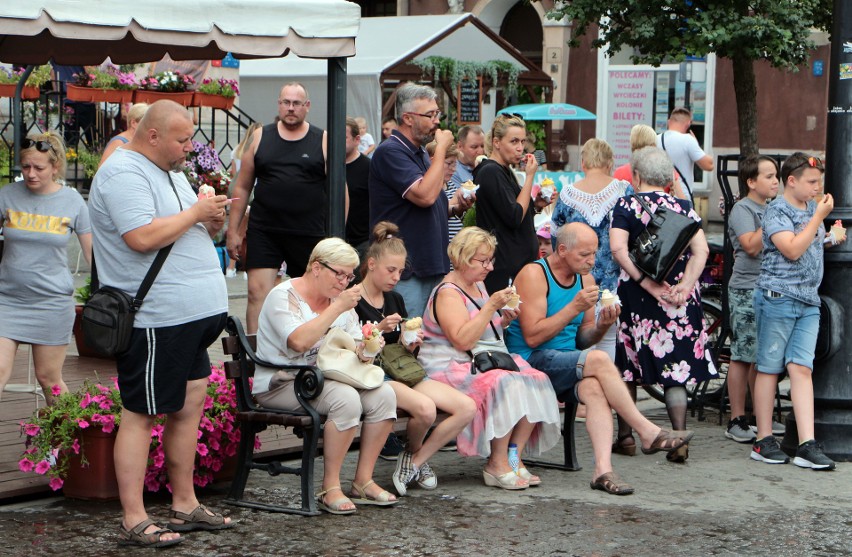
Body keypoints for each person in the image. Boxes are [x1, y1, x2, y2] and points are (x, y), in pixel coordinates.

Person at [88, 100, 232, 548]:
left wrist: (210, 219)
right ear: (153, 136)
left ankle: (185, 502)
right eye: (182, 139)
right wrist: (196, 214)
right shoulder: (123, 173)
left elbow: (184, 230)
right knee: (142, 413)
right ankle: (133, 516)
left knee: (188, 409)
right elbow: (141, 237)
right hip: (156, 319)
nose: (190, 148)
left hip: (190, 315)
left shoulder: (168, 170)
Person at [506, 222, 694, 494]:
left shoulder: (587, 280)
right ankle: (646, 431)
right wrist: (575, 307)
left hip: (564, 361)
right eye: (584, 254)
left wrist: (603, 325)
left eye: (594, 253)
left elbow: (583, 339)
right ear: (561, 250)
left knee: (595, 388)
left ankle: (602, 471)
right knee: (598, 360)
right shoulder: (535, 274)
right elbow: (533, 337)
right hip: (530, 359)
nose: (591, 261)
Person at [254, 238, 399, 513]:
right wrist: (337, 307)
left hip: (324, 379)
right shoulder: (283, 296)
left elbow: (355, 347)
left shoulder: (339, 300)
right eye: (340, 274)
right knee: (345, 399)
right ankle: (329, 487)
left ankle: (362, 481)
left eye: (349, 275)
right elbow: (298, 342)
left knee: (384, 394)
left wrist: (368, 346)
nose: (344, 282)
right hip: (281, 383)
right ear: (317, 267)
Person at [419, 227, 562, 490]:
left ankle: (513, 457)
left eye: (490, 260)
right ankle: (496, 464)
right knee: (505, 383)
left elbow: (483, 330)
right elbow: (462, 340)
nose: (489, 267)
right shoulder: (448, 292)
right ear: (462, 258)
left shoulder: (477, 284)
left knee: (535, 378)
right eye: (483, 260)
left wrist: (502, 320)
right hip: (448, 366)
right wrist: (491, 307)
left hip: (478, 359)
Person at [610, 146, 717, 463]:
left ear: (637, 176)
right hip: (678, 301)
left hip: (637, 298)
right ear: (670, 178)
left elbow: (618, 249)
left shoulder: (627, 204)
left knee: (627, 368)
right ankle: (679, 439)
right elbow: (703, 251)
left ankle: (626, 437)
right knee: (676, 370)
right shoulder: (684, 207)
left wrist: (645, 283)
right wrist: (685, 286)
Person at [355, 222, 476, 495]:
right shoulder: (352, 300)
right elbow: (353, 350)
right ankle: (413, 455)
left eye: (400, 271)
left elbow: (402, 349)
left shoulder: (395, 299)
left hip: (403, 370)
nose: (396, 276)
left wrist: (411, 343)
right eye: (391, 270)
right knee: (426, 409)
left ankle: (413, 459)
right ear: (371, 264)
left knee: (466, 407)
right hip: (374, 374)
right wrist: (379, 330)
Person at [750, 153, 839, 470]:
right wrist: (819, 221)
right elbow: (791, 248)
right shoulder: (776, 210)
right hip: (778, 297)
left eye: (819, 182)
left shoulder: (814, 208)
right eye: (812, 182)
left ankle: (806, 443)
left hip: (808, 301)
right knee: (770, 368)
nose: (818, 188)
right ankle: (763, 440)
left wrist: (829, 237)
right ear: (792, 181)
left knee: (802, 368)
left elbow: (810, 244)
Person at [227, 82, 332, 333]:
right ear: (279, 104)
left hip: (308, 232)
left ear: (307, 107)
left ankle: (305, 354)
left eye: (297, 103)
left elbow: (341, 191)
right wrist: (233, 231)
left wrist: (337, 234)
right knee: (256, 293)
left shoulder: (322, 139)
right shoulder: (262, 136)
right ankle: (256, 358)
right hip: (266, 230)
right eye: (286, 102)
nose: (291, 108)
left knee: (309, 297)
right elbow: (242, 187)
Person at [0, 132, 91, 404]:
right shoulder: (7, 196)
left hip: (51, 302)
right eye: (25, 166)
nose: (30, 174)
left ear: (55, 167)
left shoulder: (73, 201)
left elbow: (92, 253)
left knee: (49, 379)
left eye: (39, 168)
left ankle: (66, 444)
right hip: (7, 299)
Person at [369, 82, 473, 316]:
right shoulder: (391, 151)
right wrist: (442, 150)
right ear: (407, 118)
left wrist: (454, 208)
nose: (437, 120)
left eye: (437, 113)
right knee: (409, 337)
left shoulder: (418, 151)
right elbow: (424, 196)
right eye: (430, 114)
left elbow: (429, 204)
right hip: (407, 270)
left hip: (430, 264)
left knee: (428, 341)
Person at [551, 138, 630, 361]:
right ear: (610, 163)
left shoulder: (567, 194)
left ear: (583, 163)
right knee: (607, 351)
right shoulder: (624, 190)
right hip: (615, 285)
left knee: (580, 353)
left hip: (575, 287)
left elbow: (557, 242)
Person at [725, 155, 781, 443]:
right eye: (769, 176)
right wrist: (773, 220)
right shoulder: (743, 209)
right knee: (743, 355)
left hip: (769, 287)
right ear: (751, 181)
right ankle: (736, 419)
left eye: (776, 176)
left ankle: (762, 419)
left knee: (762, 357)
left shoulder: (771, 208)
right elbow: (750, 246)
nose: (776, 181)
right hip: (746, 287)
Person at [473, 114, 550, 293]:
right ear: (497, 142)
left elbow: (516, 211)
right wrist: (530, 175)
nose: (520, 148)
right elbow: (514, 216)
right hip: (503, 268)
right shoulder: (491, 171)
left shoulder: (504, 171)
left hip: (516, 266)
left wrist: (536, 205)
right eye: (514, 141)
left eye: (523, 142)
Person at [224, 121, 263, 279]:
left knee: (238, 232)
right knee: (248, 232)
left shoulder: (237, 150)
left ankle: (231, 267)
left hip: (239, 195)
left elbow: (234, 177)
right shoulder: (257, 149)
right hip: (253, 194)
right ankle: (248, 267)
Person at [656, 107, 714, 198]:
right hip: (682, 198)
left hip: (660, 197)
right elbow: (709, 165)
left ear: (668, 122)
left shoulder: (656, 139)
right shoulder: (688, 140)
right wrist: (696, 145)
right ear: (688, 124)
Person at [426, 140, 464, 242]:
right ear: (432, 161)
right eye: (449, 163)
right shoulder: (427, 188)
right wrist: (455, 200)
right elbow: (433, 213)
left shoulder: (451, 185)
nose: (454, 169)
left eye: (455, 164)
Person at [345, 116, 372, 263]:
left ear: (357, 139)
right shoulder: (325, 165)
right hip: (332, 241)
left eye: (343, 137)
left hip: (361, 243)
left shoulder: (368, 168)